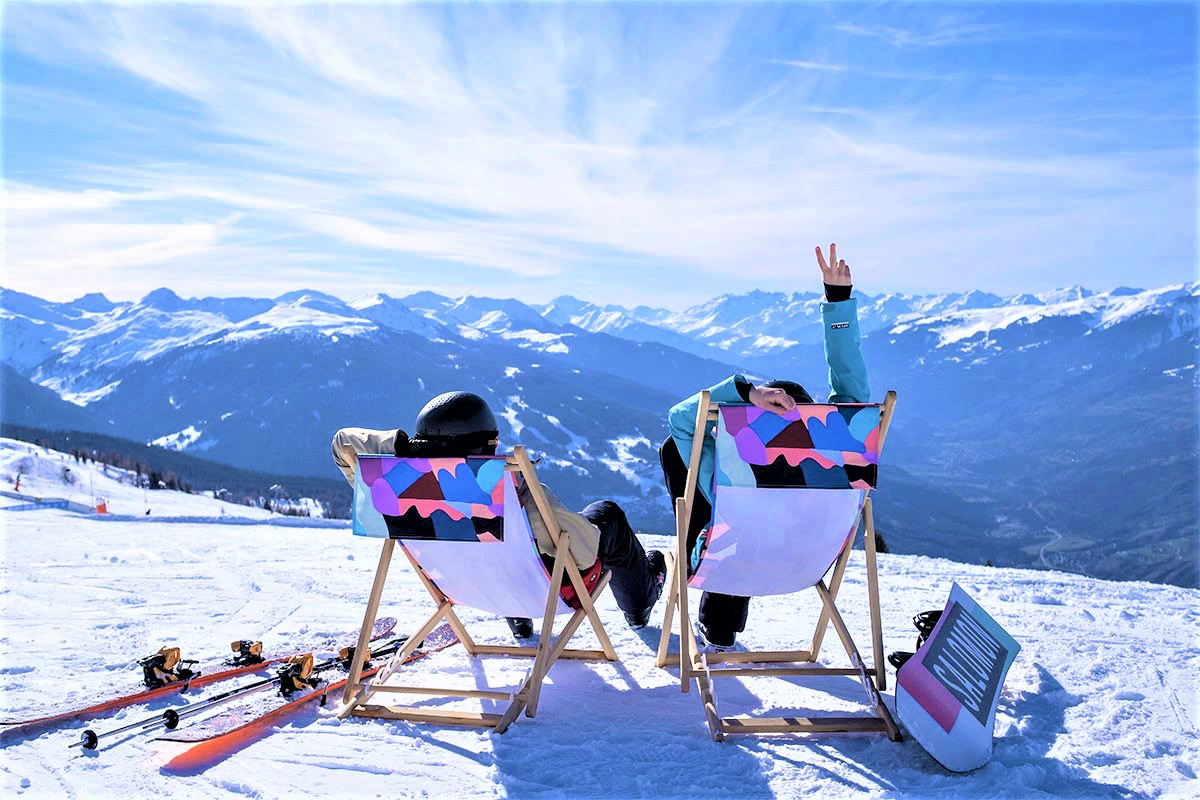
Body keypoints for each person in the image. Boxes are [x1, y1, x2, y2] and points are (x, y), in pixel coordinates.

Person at [659, 243, 870, 651]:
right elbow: (853, 396)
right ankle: (720, 623)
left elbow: (679, 420)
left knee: (682, 456)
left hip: (733, 561)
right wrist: (838, 303)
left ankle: (717, 627)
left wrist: (746, 393)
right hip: (809, 564)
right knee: (742, 522)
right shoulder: (833, 462)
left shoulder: (735, 473)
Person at [332, 391, 667, 638]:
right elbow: (584, 552)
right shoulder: (514, 495)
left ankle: (517, 620)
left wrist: (413, 450)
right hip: (542, 593)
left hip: (464, 588)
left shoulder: (392, 487)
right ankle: (640, 605)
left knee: (498, 543)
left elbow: (342, 442)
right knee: (607, 515)